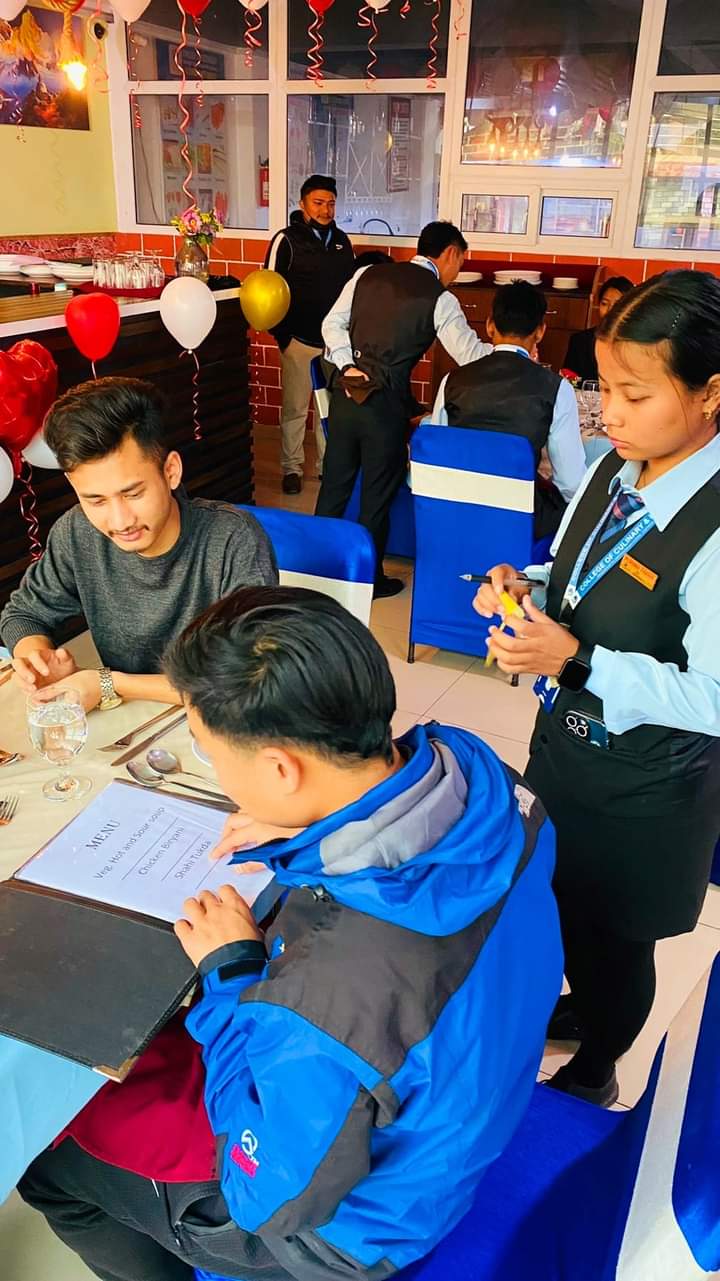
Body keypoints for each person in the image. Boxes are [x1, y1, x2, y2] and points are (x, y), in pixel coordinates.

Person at [20, 586, 563, 1281]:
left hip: (351, 1234)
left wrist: (231, 975)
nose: (219, 773)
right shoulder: (482, 775)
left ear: (281, 768)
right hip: (463, 1085)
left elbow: (264, 1200)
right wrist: (307, 824)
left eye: (213, 755)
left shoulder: (330, 999)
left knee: (51, 1164)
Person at [473, 269, 720, 1108]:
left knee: (616, 940)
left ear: (710, 393)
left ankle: (598, 1064)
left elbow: (713, 695)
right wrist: (527, 585)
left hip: (645, 787)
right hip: (568, 753)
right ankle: (580, 1008)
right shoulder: (622, 466)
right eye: (604, 388)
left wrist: (576, 661)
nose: (607, 413)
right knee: (560, 903)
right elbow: (579, 570)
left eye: (634, 394)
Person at [0, 377, 278, 712]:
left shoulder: (232, 539)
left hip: (221, 722)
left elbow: (250, 680)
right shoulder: (77, 532)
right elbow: (24, 614)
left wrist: (108, 684)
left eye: (133, 494)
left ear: (171, 471)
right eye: (96, 500)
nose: (120, 521)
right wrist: (38, 661)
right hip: (130, 721)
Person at [316, 221, 492, 598]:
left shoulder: (367, 274)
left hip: (346, 396)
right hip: (385, 409)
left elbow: (331, 324)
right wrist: (508, 352)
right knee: (376, 499)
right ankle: (368, 582)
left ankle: (315, 572)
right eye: (460, 262)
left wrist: (347, 365)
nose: (457, 271)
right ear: (450, 253)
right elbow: (470, 356)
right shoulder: (440, 298)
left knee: (334, 488)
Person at [430, 280, 586, 540]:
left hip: (457, 511)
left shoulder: (452, 381)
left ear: (490, 325)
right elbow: (570, 482)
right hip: (520, 519)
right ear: (540, 331)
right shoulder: (556, 388)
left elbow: (438, 455)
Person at [265, 175, 355, 495]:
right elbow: (267, 289)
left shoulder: (342, 242)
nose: (325, 210)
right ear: (302, 204)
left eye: (331, 203)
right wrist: (283, 336)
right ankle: (292, 467)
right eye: (318, 203)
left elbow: (351, 291)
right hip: (299, 342)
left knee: (328, 411)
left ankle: (326, 468)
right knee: (295, 409)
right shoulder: (286, 240)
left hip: (333, 345)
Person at [563, 276, 634, 383]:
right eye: (604, 304)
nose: (610, 310)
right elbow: (569, 380)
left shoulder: (638, 346)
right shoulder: (580, 341)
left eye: (617, 305)